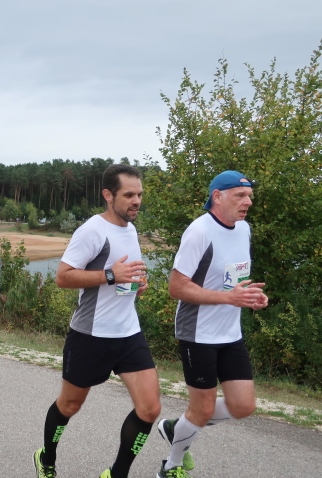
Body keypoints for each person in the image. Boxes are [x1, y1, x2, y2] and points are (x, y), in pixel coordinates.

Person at [33, 164, 161, 478]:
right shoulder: (92, 230)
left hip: (128, 333)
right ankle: (46, 458)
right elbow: (63, 277)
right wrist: (110, 275)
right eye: (128, 195)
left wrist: (134, 285)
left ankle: (116, 474)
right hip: (91, 334)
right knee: (70, 405)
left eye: (139, 194)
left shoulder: (131, 230)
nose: (136, 201)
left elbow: (121, 277)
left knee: (150, 409)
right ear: (108, 195)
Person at [155, 171, 268, 478]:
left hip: (230, 333)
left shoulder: (244, 229)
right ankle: (172, 465)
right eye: (240, 196)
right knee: (202, 408)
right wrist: (228, 298)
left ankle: (176, 428)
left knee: (243, 406)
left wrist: (251, 296)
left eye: (249, 196)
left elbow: (233, 280)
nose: (248, 202)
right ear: (217, 196)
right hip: (198, 333)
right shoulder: (199, 231)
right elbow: (177, 288)